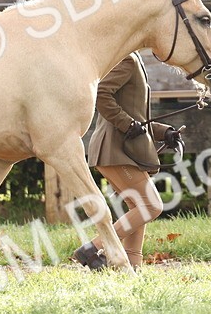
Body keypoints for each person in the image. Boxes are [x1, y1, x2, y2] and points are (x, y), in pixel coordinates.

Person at [73, 52, 185, 270]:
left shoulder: (133, 59)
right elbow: (102, 95)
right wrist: (126, 124)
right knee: (151, 206)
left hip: (117, 149)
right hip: (114, 150)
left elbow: (137, 118)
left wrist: (165, 133)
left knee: (138, 207)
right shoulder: (126, 59)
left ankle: (132, 266)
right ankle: (93, 249)